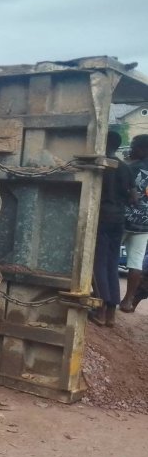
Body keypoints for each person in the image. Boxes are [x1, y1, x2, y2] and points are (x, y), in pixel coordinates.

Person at [90, 132, 132, 327]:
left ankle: (100, 311)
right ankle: (111, 316)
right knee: (112, 264)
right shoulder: (125, 167)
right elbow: (134, 198)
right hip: (119, 219)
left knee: (98, 263)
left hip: (102, 217)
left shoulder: (101, 166)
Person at [121, 134, 148, 313]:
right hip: (145, 224)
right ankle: (127, 301)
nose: (131, 149)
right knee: (136, 261)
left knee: (104, 257)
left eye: (133, 146)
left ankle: (102, 297)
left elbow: (122, 191)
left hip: (124, 220)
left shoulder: (130, 168)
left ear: (143, 149)